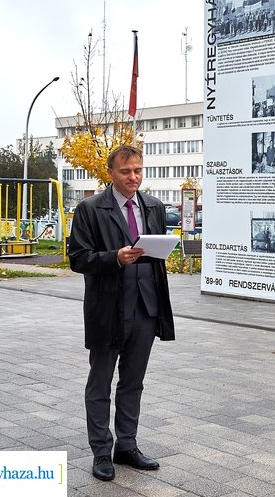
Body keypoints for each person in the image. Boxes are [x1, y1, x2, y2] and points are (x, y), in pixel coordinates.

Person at [68, 145, 175, 481]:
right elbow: (78, 258)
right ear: (111, 173)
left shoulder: (154, 207)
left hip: (145, 307)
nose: (134, 177)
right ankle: (102, 451)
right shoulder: (90, 209)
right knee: (99, 384)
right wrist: (115, 257)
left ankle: (126, 445)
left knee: (133, 382)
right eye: (126, 171)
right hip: (108, 309)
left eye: (139, 171)